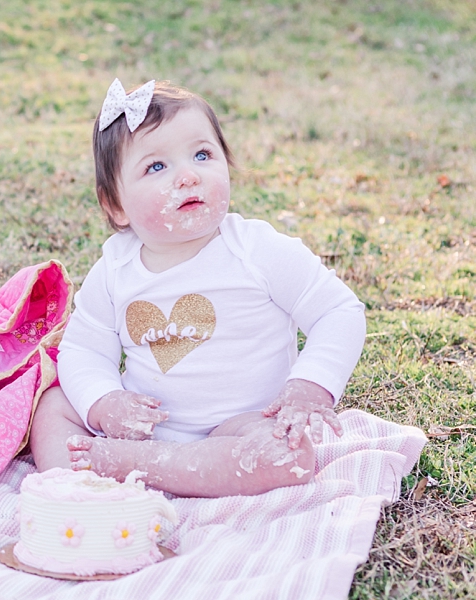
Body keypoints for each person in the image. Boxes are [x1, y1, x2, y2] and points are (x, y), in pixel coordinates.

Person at [29, 79, 366, 497]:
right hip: (143, 427)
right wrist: (104, 403)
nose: (188, 176)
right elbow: (84, 351)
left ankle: (131, 468)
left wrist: (310, 385)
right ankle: (71, 493)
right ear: (115, 205)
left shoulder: (256, 249)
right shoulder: (115, 269)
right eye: (156, 167)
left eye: (202, 155)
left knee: (289, 457)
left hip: (239, 426)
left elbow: (338, 312)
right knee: (53, 405)